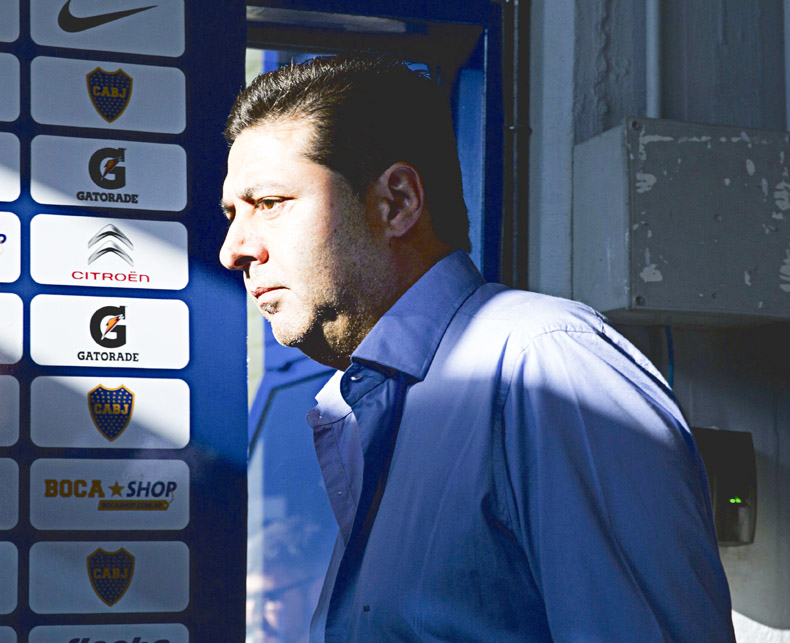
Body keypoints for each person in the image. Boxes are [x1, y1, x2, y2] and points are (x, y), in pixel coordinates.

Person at [219, 54, 734, 642]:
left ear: (396, 203)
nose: (233, 250)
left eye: (269, 204)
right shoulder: (380, 402)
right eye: (233, 213)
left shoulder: (547, 366)